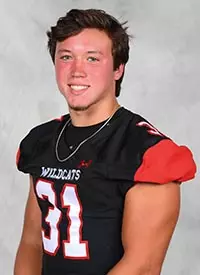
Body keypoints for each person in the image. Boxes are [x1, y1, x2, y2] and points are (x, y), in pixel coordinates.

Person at [14, 8, 196, 275]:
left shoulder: (146, 151)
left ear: (118, 69)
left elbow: (142, 266)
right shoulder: (40, 141)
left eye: (92, 59)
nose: (77, 71)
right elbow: (32, 243)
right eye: (66, 57)